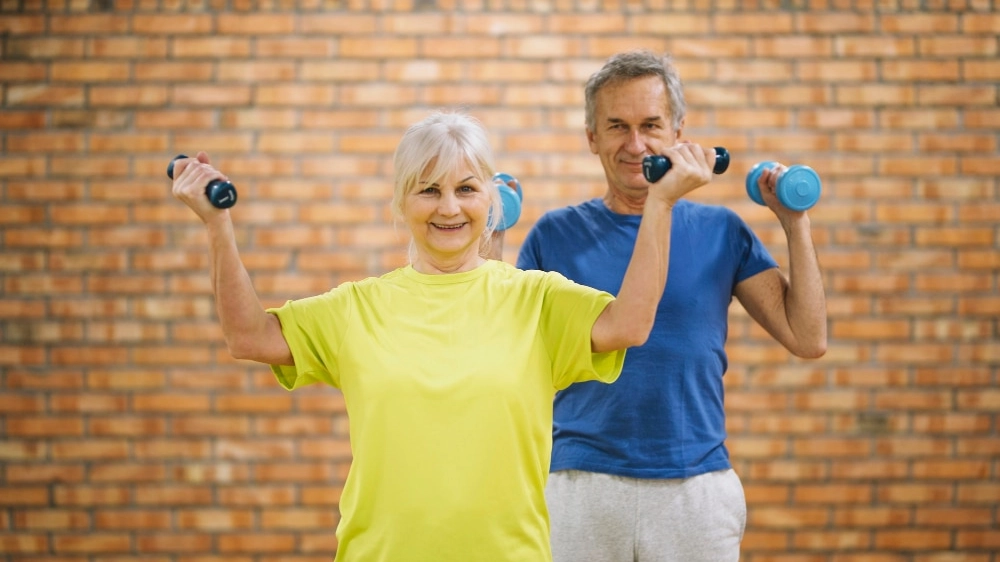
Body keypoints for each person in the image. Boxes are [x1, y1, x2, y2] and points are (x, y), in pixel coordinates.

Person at [170, 110, 721, 562]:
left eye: (466, 188)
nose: (449, 207)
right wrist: (217, 227)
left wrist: (662, 204)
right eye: (428, 190)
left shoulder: (536, 300)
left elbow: (630, 324)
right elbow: (248, 336)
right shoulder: (357, 307)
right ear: (400, 203)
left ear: (491, 200)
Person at [516, 49, 828, 562]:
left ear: (679, 132)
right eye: (616, 126)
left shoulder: (720, 231)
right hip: (581, 483)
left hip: (696, 489)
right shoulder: (555, 235)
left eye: (651, 125)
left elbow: (808, 337)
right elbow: (514, 351)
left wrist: (795, 223)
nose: (635, 144)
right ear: (591, 137)